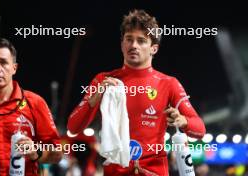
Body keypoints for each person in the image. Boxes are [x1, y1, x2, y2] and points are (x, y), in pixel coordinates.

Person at [67, 9, 206, 176]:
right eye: (129, 39)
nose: (133, 45)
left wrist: (183, 121)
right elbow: (73, 128)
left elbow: (200, 130)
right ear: (122, 44)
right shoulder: (104, 80)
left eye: (141, 41)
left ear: (153, 48)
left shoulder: (169, 83)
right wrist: (94, 100)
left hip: (154, 172)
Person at [0, 38, 63, 176]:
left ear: (14, 68)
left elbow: (57, 154)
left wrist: (36, 152)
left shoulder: (35, 102)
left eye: (3, 62)